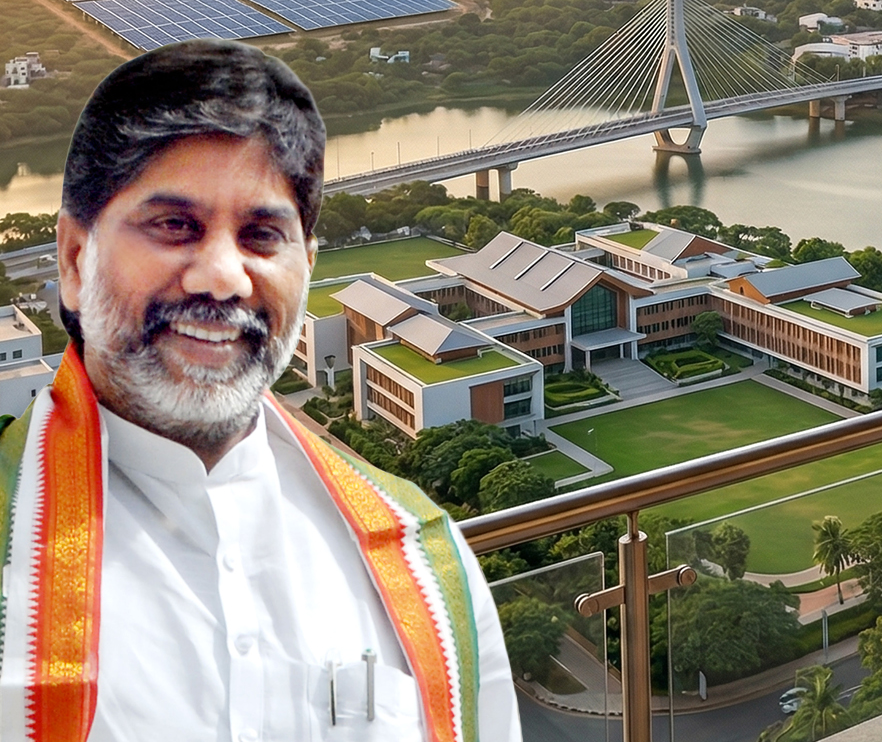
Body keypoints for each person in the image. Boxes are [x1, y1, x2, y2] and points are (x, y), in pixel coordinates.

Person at [0, 41, 521, 741]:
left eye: (261, 235)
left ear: (307, 266)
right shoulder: (15, 554)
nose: (222, 276)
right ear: (73, 260)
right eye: (174, 225)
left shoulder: (426, 563)